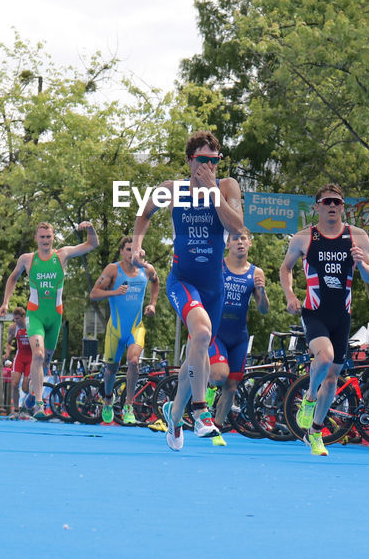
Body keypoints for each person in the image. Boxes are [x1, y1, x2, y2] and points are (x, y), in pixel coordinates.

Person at [131, 130, 245, 450]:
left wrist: (213, 194)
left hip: (214, 287)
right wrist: (138, 245)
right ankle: (200, 411)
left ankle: (174, 411)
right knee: (201, 332)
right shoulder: (172, 190)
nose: (208, 167)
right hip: (182, 281)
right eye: (202, 160)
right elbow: (144, 214)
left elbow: (237, 226)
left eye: (214, 161)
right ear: (189, 161)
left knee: (196, 355)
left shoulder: (226, 187)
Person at [280, 184, 369, 456]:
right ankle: (309, 400)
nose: (332, 205)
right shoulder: (304, 237)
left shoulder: (357, 237)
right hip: (314, 312)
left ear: (343, 206)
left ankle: (315, 432)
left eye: (337, 201)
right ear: (317, 206)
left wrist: (364, 264)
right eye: (327, 202)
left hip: (341, 316)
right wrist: (290, 295)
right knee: (323, 358)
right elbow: (285, 268)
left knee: (332, 379)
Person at [0, 221, 98, 420]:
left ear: (53, 238)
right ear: (36, 238)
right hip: (35, 315)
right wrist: (6, 302)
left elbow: (92, 245)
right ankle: (39, 405)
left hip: (55, 316)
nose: (45, 240)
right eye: (41, 237)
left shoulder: (62, 255)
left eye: (48, 237)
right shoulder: (27, 259)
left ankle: (33, 394)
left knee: (45, 361)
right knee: (39, 355)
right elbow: (12, 278)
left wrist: (90, 228)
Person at [89, 235, 160, 425]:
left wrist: (152, 304)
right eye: (127, 249)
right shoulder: (113, 269)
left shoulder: (147, 269)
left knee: (134, 362)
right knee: (111, 369)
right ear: (121, 251)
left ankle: (129, 404)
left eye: (134, 250)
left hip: (136, 327)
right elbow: (94, 294)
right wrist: (114, 292)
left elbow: (156, 281)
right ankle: (108, 400)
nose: (131, 253)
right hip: (115, 330)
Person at [210, 229, 269, 434]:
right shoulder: (218, 265)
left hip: (239, 336)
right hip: (216, 332)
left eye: (244, 238)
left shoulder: (256, 272)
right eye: (235, 239)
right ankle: (208, 389)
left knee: (231, 387)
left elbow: (263, 310)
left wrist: (261, 291)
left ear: (250, 244)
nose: (240, 242)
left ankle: (216, 428)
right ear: (228, 245)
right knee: (218, 376)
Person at [4, 308, 32, 413]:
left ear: (23, 317)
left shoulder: (31, 326)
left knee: (25, 387)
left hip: (31, 358)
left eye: (18, 318)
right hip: (20, 357)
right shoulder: (13, 328)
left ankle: (32, 400)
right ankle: (15, 410)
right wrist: (7, 353)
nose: (16, 321)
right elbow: (8, 343)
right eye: (14, 319)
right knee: (14, 384)